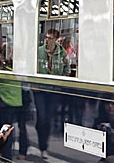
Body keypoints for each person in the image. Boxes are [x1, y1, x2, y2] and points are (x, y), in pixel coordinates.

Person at [34, 29, 68, 159]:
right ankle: (42, 145)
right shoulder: (39, 51)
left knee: (47, 118)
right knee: (42, 118)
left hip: (54, 90)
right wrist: (34, 82)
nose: (47, 40)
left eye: (50, 38)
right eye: (46, 37)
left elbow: (67, 69)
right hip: (40, 90)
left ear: (56, 39)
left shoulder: (62, 53)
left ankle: (44, 146)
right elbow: (32, 67)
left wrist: (62, 82)